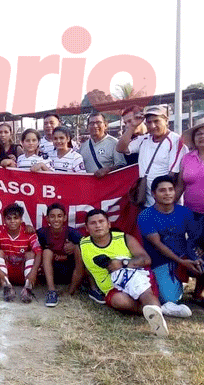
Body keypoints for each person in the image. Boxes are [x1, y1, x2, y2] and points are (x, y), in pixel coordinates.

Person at [79, 209, 169, 337]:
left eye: (101, 221)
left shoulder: (125, 238)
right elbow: (81, 269)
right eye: (93, 223)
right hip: (113, 288)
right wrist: (71, 291)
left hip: (136, 275)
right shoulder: (83, 245)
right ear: (87, 228)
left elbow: (146, 259)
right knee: (118, 301)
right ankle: (159, 309)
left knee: (141, 289)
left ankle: (158, 324)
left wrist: (122, 263)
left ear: (109, 224)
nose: (98, 225)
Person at [138, 176, 200, 316]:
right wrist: (181, 262)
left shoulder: (184, 212)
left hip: (184, 256)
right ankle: (175, 283)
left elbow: (193, 238)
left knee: (202, 264)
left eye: (171, 189)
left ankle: (197, 293)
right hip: (161, 261)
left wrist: (196, 257)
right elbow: (158, 244)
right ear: (154, 194)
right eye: (162, 190)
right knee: (169, 299)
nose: (167, 193)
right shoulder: (146, 215)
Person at [116, 105, 188, 207]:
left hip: (166, 205)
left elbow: (173, 176)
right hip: (146, 202)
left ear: (166, 121)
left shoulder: (176, 141)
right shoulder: (144, 139)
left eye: (156, 121)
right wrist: (132, 126)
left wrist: (164, 205)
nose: (153, 126)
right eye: (149, 122)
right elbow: (120, 148)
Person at [0, 203, 42, 303]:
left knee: (31, 254)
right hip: (4, 274)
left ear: (21, 220)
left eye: (15, 218)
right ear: (4, 220)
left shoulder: (28, 232)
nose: (12, 221)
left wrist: (34, 272)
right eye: (9, 218)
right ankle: (7, 287)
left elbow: (39, 252)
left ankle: (27, 289)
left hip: (24, 272)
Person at [37, 203, 84, 307]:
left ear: (65, 218)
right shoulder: (42, 233)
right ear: (47, 218)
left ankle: (72, 290)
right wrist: (26, 227)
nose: (56, 219)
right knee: (47, 252)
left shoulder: (72, 233)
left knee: (79, 248)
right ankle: (51, 291)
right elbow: (28, 242)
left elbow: (87, 249)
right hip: (51, 274)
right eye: (52, 216)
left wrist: (74, 248)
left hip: (70, 272)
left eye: (59, 216)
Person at [176, 118, 204, 257]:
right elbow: (180, 186)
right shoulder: (187, 158)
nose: (202, 136)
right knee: (196, 254)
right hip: (192, 215)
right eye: (198, 133)